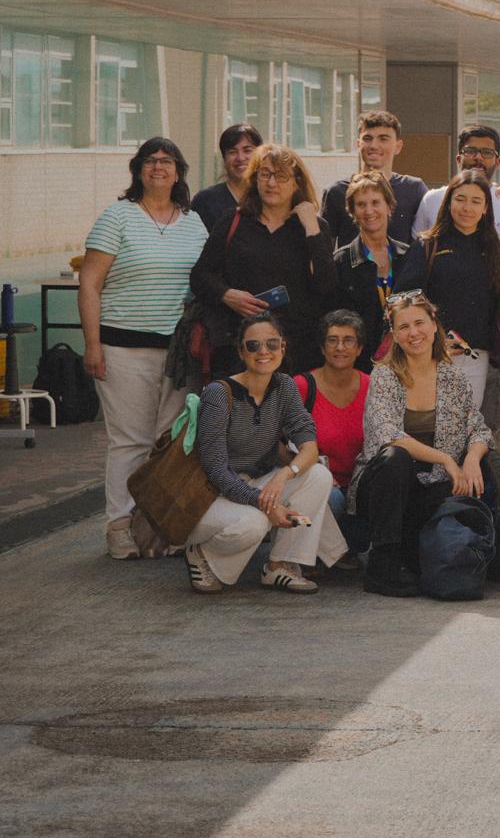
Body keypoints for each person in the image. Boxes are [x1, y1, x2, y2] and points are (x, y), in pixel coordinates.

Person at [79, 137, 210, 559]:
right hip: (122, 349)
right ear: (138, 170)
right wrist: (92, 345)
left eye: (166, 161)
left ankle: (157, 527)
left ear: (178, 172)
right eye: (150, 161)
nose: (158, 167)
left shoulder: (194, 223)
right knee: (130, 441)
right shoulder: (117, 217)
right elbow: (89, 283)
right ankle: (119, 527)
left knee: (170, 442)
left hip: (179, 355)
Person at [183, 313, 345, 594]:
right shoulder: (218, 393)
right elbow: (216, 469)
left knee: (318, 475)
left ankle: (280, 565)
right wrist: (265, 503)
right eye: (253, 345)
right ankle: (202, 553)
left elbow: (309, 446)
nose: (263, 352)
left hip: (257, 483)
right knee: (255, 523)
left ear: (282, 347)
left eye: (271, 344)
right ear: (241, 352)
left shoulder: (284, 386)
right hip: (212, 495)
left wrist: (285, 474)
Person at [350, 293, 492, 597]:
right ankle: (382, 565)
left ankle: (477, 552)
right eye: (403, 327)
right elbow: (388, 434)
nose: (413, 333)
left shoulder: (453, 377)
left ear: (434, 324)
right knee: (396, 457)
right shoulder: (384, 375)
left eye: (419, 323)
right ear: (394, 335)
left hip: (434, 484)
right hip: (382, 489)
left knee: (481, 471)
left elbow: (478, 428)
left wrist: (471, 459)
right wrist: (446, 459)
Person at [190, 143, 335, 375]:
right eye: (265, 174)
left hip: (298, 351)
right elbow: (200, 276)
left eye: (281, 176)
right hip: (241, 348)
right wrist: (227, 295)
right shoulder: (234, 221)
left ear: (297, 182)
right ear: (254, 179)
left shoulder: (315, 227)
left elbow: (326, 286)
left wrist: (311, 227)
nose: (271, 183)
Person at [394, 169, 500, 408]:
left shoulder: (495, 249)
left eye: (476, 201)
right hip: (428, 355)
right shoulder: (428, 245)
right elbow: (403, 299)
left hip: (476, 357)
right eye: (460, 199)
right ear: (448, 203)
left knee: (463, 425)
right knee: (426, 424)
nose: (467, 208)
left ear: (486, 208)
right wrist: (431, 339)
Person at [293, 310, 370, 557]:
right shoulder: (302, 386)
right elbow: (278, 443)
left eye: (348, 340)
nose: (340, 347)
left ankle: (343, 553)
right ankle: (306, 554)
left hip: (360, 487)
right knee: (330, 497)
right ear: (322, 347)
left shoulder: (373, 386)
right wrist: (312, 468)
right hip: (315, 484)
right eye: (332, 340)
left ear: (359, 349)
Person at [332, 170, 409, 371]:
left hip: (405, 364)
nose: (369, 211)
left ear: (389, 206)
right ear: (352, 212)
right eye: (361, 204)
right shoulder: (341, 261)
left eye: (375, 202)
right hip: (357, 368)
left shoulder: (408, 256)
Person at [320, 111, 428, 247]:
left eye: (383, 139)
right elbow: (324, 250)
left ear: (398, 146)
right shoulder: (337, 192)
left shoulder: (414, 189)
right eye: (367, 139)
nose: (374, 146)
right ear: (358, 144)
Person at [412, 125, 500, 243]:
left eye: (487, 152)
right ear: (458, 159)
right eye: (470, 151)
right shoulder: (432, 200)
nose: (478, 157)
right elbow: (417, 245)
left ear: (498, 162)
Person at [190, 122, 261, 231]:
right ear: (224, 159)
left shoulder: (269, 197)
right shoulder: (205, 201)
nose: (240, 158)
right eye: (232, 152)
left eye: (247, 150)